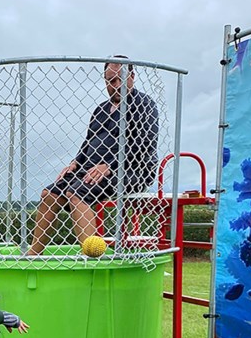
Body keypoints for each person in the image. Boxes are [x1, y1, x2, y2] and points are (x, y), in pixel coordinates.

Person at [26, 56, 160, 255]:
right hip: (92, 170)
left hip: (131, 170)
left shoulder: (143, 105)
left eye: (117, 79)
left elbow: (142, 145)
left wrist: (110, 166)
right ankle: (33, 254)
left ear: (131, 76)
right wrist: (75, 163)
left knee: (77, 193)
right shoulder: (100, 110)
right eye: (108, 81)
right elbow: (88, 143)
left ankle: (91, 257)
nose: (113, 85)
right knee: (50, 194)